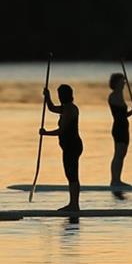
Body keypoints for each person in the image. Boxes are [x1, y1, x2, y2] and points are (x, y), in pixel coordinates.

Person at [40, 83, 82, 211]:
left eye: (61, 95)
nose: (60, 97)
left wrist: (46, 133)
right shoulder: (65, 108)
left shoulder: (70, 109)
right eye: (58, 95)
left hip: (73, 146)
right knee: (70, 174)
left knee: (72, 174)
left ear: (67, 96)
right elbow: (52, 108)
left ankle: (74, 205)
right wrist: (47, 97)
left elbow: (62, 130)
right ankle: (73, 203)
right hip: (68, 147)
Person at [107, 72, 132, 188]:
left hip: (124, 127)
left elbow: (123, 114)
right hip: (119, 128)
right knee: (118, 154)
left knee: (122, 154)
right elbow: (119, 115)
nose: (124, 83)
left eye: (124, 81)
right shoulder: (114, 96)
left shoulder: (120, 95)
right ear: (116, 83)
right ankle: (114, 181)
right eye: (122, 81)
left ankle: (118, 179)